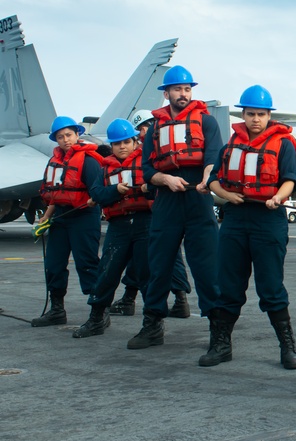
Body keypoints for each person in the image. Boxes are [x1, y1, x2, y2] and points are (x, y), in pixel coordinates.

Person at [127, 65, 223, 355]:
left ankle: (219, 332)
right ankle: (153, 324)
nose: (183, 94)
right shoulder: (154, 128)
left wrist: (207, 179)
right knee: (158, 266)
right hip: (167, 199)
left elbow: (212, 158)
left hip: (198, 197)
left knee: (207, 269)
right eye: (177, 89)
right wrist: (165, 179)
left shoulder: (207, 123)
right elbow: (146, 169)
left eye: (187, 89)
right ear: (166, 93)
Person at [205, 85, 296, 369]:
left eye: (261, 114)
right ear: (243, 115)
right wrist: (225, 194)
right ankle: (221, 345)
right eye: (250, 114)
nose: (255, 119)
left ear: (269, 115)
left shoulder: (282, 145)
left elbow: (289, 180)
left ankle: (287, 347)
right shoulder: (229, 147)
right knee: (227, 286)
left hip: (268, 219)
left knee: (271, 287)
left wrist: (278, 197)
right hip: (235, 219)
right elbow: (212, 179)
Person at [72, 119, 153, 338]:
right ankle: (97, 317)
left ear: (136, 142)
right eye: (117, 143)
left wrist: (147, 188)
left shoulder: (148, 163)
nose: (122, 146)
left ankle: (152, 324)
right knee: (106, 271)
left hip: (146, 223)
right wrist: (116, 189)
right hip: (119, 226)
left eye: (127, 141)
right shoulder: (104, 168)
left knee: (147, 274)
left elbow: (158, 188)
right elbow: (97, 194)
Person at [109, 109, 193, 318]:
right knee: (162, 256)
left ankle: (135, 301)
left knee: (153, 257)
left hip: (157, 211)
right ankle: (178, 299)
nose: (143, 132)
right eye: (140, 129)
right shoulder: (155, 148)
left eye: (145, 127)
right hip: (161, 210)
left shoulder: (156, 151)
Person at [31, 116, 104, 327]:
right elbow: (57, 193)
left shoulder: (88, 161)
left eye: (69, 135)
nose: (65, 140)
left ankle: (99, 313)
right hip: (61, 218)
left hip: (84, 217)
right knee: (53, 264)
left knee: (87, 265)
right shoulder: (55, 162)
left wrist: (93, 201)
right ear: (56, 140)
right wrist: (46, 216)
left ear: (77, 135)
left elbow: (98, 191)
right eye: (61, 137)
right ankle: (56, 310)